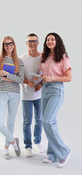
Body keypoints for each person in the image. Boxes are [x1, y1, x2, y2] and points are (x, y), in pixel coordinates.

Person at [0, 36, 24, 160]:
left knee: (10, 122)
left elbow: (20, 80)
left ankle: (6, 148)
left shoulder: (19, 61)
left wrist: (7, 74)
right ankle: (14, 142)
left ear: (14, 45)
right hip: (2, 93)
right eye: (6, 44)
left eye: (10, 43)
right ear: (3, 46)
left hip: (15, 94)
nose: (8, 45)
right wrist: (2, 78)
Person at [40, 32, 72, 168]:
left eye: (52, 39)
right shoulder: (45, 56)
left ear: (57, 41)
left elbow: (68, 77)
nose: (50, 41)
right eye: (48, 40)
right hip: (44, 89)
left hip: (56, 90)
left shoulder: (63, 57)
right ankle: (52, 155)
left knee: (47, 120)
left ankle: (64, 152)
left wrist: (52, 78)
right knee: (49, 122)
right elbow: (44, 74)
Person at [20, 33, 44, 157]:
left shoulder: (43, 57)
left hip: (39, 94)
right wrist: (27, 81)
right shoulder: (22, 58)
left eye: (34, 41)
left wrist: (41, 84)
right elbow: (18, 76)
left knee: (39, 120)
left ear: (38, 42)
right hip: (26, 95)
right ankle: (28, 146)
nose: (32, 43)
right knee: (27, 121)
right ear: (26, 43)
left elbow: (47, 73)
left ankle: (37, 142)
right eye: (29, 41)